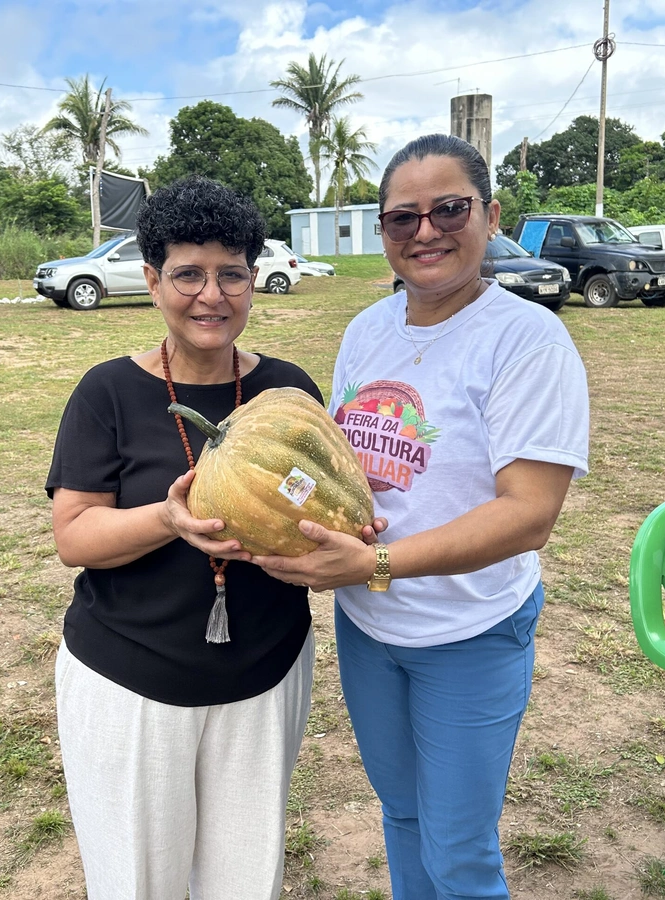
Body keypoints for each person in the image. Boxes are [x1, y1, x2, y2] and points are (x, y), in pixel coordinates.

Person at [254, 134, 590, 899]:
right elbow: (342, 465)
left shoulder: (527, 340)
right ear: (382, 233)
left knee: (460, 849)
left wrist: (373, 564)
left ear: (491, 214)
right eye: (402, 218)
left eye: (449, 209)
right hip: (370, 628)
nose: (426, 232)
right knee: (401, 815)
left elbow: (529, 515)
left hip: (467, 631)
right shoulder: (366, 330)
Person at [47, 176, 323, 899]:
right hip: (129, 685)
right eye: (188, 274)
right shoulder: (107, 392)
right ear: (151, 279)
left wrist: (340, 544)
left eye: (231, 273)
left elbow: (317, 513)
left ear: (254, 278)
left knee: (244, 881)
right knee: (140, 884)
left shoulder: (287, 391)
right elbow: (74, 536)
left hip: (266, 677)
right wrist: (167, 520)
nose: (212, 295)